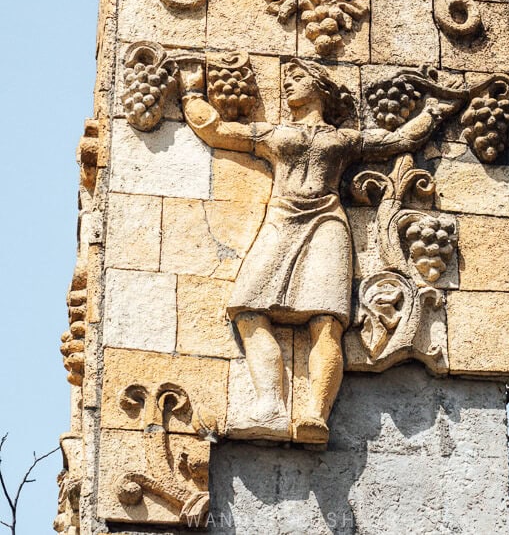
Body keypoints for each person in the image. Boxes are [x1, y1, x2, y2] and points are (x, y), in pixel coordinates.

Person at [179, 58, 459, 443]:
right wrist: (193, 91)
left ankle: (315, 414)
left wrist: (433, 111)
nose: (288, 85)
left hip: (327, 225)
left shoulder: (341, 139)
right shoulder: (274, 133)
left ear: (321, 89)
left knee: (326, 323)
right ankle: (270, 407)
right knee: (247, 310)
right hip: (279, 222)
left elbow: (399, 141)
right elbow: (217, 131)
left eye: (297, 78)